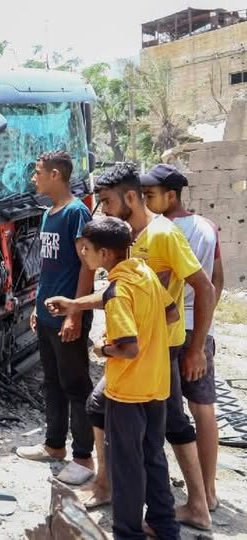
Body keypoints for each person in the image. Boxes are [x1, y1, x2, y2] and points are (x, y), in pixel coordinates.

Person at [46, 162, 216, 532]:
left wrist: (195, 347)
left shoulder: (163, 234)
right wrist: (76, 305)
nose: (104, 210)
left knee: (154, 438)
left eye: (107, 202)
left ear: (130, 198)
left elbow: (203, 287)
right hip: (147, 354)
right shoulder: (132, 249)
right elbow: (141, 301)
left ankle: (188, 507)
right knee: (133, 429)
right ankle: (151, 512)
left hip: (152, 355)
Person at [54, 217, 180, 540]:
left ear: (105, 254)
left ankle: (128, 533)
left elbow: (128, 348)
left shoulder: (120, 291)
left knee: (125, 466)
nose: (83, 253)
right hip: (156, 385)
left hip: (128, 393)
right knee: (153, 456)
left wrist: (102, 348)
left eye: (87, 249)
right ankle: (165, 526)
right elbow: (170, 313)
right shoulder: (142, 273)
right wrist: (75, 304)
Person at [141, 164, 224, 512]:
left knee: (171, 411)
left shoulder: (163, 231)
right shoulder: (208, 226)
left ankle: (196, 496)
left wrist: (194, 343)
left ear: (171, 196)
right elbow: (217, 281)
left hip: (174, 328)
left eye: (150, 195)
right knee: (203, 407)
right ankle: (209, 491)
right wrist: (205, 328)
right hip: (201, 324)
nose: (145, 201)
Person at [16, 151, 95, 485]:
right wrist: (37, 306)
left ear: (55, 175)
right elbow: (48, 270)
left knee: (76, 386)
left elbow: (87, 265)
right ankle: (54, 445)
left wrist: (75, 312)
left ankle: (84, 458)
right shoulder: (49, 213)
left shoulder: (76, 213)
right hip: (47, 316)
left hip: (67, 317)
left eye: (38, 172)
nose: (34, 178)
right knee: (52, 383)